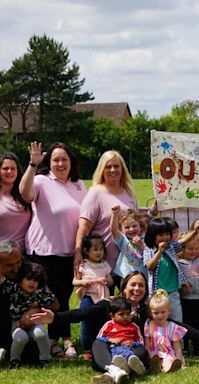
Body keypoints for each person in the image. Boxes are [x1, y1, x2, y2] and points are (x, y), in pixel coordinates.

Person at [29, 271, 199, 384]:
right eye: (133, 285)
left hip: (131, 350)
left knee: (142, 351)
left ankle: (116, 372)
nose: (137, 289)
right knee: (98, 344)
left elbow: (173, 325)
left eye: (141, 285)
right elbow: (81, 314)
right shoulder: (110, 304)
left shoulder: (146, 310)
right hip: (108, 349)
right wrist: (55, 317)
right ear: (124, 287)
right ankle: (114, 369)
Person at [20, 141, 87, 358]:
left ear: (71, 162)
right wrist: (32, 164)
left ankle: (56, 340)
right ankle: (45, 341)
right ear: (49, 163)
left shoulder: (79, 185)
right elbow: (25, 193)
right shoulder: (41, 180)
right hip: (43, 252)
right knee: (47, 297)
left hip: (69, 252)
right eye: (55, 160)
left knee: (64, 297)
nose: (60, 163)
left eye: (64, 159)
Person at [75, 150, 138, 290]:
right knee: (102, 306)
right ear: (102, 170)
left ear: (122, 169)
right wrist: (78, 252)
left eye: (116, 166)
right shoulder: (96, 193)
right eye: (108, 166)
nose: (113, 170)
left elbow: (137, 223)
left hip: (128, 263)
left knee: (128, 307)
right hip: (102, 264)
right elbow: (84, 227)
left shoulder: (129, 193)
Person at [143, 217, 199, 322]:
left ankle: (177, 338)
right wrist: (159, 251)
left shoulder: (171, 247)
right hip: (157, 294)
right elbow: (150, 266)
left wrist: (195, 232)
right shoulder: (149, 250)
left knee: (177, 321)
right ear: (152, 236)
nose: (165, 237)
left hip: (173, 293)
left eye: (167, 234)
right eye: (160, 235)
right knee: (159, 321)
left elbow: (183, 241)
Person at [8, 262, 57, 369]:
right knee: (20, 338)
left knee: (40, 333)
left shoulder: (39, 293)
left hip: (35, 322)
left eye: (35, 280)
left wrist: (38, 305)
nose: (32, 283)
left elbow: (52, 300)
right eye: (29, 279)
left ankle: (45, 359)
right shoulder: (15, 291)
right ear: (21, 280)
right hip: (17, 324)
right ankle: (14, 360)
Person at [73, 234, 113, 359]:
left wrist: (106, 280)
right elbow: (74, 281)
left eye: (101, 249)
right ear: (86, 251)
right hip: (88, 297)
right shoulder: (83, 265)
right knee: (86, 322)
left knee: (102, 322)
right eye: (95, 249)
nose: (98, 252)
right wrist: (83, 282)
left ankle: (101, 346)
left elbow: (111, 281)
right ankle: (87, 349)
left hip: (102, 298)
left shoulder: (105, 265)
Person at [96, 296, 146, 379]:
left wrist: (133, 343)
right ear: (112, 316)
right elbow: (99, 339)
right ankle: (128, 369)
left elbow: (141, 342)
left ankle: (131, 366)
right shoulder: (109, 325)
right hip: (113, 348)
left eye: (128, 313)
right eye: (121, 314)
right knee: (116, 358)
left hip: (129, 349)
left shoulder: (134, 326)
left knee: (130, 356)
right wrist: (110, 339)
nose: (125, 317)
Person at [178, 235, 199, 356]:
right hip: (185, 299)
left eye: (196, 249)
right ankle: (185, 347)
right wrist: (183, 287)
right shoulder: (180, 263)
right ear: (182, 249)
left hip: (198, 299)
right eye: (190, 249)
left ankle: (198, 347)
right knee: (186, 323)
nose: (194, 252)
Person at [144, 289, 187, 373]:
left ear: (169, 311)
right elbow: (147, 346)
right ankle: (155, 366)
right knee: (153, 359)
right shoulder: (149, 325)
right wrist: (149, 355)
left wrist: (179, 361)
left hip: (167, 353)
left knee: (169, 361)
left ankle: (169, 368)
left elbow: (177, 348)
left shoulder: (173, 327)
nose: (160, 315)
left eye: (163, 312)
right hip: (154, 354)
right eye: (156, 313)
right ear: (150, 313)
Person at [0, 152, 31, 253]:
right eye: (5, 168)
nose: (10, 171)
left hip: (24, 254)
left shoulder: (24, 193)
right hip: (3, 256)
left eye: (13, 168)